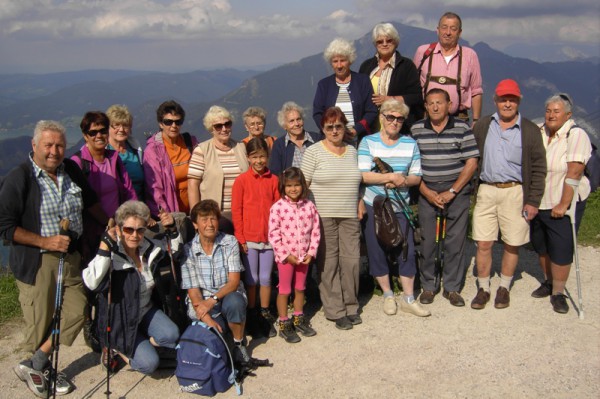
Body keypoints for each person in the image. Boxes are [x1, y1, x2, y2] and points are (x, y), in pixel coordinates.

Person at [0, 120, 107, 397]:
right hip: (39, 261)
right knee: (41, 321)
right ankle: (42, 366)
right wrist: (45, 241)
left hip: (69, 256)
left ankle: (35, 364)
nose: (54, 151)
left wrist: (110, 224)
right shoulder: (20, 178)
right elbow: (5, 226)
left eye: (59, 145)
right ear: (34, 146)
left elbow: (91, 201)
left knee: (77, 310)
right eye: (48, 145)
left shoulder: (70, 169)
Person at [471, 79, 546, 310]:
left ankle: (503, 287)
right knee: (483, 243)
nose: (507, 104)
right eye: (503, 99)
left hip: (515, 191)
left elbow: (538, 167)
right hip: (487, 189)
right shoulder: (483, 126)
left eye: (512, 99)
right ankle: (483, 288)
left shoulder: (530, 130)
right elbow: (472, 159)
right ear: (495, 100)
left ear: (518, 101)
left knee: (512, 243)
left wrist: (533, 200)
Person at [82, 201, 181, 374]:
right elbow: (91, 282)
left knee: (172, 335)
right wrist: (104, 249)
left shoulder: (148, 248)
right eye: (129, 229)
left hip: (145, 310)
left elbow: (174, 251)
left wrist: (172, 228)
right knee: (150, 364)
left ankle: (140, 339)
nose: (135, 235)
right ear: (119, 230)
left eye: (140, 230)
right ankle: (115, 347)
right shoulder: (112, 254)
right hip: (121, 318)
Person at [358, 99, 430, 317]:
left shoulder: (410, 144)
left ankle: (408, 297)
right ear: (381, 117)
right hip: (374, 204)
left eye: (399, 119)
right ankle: (388, 294)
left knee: (405, 248)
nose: (395, 122)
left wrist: (402, 181)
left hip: (400, 205)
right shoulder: (367, 142)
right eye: (390, 117)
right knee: (376, 248)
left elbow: (416, 177)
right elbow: (362, 175)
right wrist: (389, 177)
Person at [411, 89, 479, 307]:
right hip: (427, 191)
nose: (435, 107)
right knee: (428, 241)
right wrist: (428, 193)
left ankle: (452, 287)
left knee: (455, 241)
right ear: (426, 106)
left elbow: (471, 162)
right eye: (430, 103)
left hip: (456, 192)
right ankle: (429, 286)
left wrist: (453, 191)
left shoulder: (462, 128)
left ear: (449, 105)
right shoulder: (416, 130)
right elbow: (411, 166)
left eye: (439, 102)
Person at [301, 107, 363, 330]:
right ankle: (335, 309)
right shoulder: (313, 152)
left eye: (339, 126)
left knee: (352, 261)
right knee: (328, 262)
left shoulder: (353, 150)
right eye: (330, 127)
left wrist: (359, 201)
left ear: (344, 127)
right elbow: (302, 185)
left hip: (349, 214)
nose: (335, 130)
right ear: (323, 129)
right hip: (323, 215)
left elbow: (358, 180)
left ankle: (351, 304)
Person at [530, 93, 592, 313]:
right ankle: (548, 281)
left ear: (568, 114)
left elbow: (574, 172)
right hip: (539, 201)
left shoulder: (576, 135)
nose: (551, 115)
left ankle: (558, 292)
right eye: (548, 110)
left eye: (556, 111)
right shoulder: (538, 131)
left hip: (562, 201)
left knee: (561, 248)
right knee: (542, 245)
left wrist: (564, 204)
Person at [180, 200, 250, 363]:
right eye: (204, 220)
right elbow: (194, 291)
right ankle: (226, 331)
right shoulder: (188, 250)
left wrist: (212, 301)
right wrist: (208, 320)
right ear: (195, 224)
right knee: (215, 342)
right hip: (202, 302)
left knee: (235, 303)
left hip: (226, 294)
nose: (210, 224)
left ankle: (239, 343)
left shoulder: (229, 242)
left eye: (213, 219)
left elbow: (233, 281)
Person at [71, 111, 137, 264]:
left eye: (102, 131)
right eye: (93, 132)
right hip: (91, 234)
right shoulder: (78, 163)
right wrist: (107, 222)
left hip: (118, 229)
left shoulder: (113, 158)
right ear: (85, 135)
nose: (98, 135)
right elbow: (82, 202)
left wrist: (131, 218)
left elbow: (128, 191)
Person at [231, 138, 280, 338]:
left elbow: (278, 210)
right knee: (251, 279)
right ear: (248, 158)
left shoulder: (274, 180)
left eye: (262, 156)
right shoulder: (241, 181)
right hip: (249, 238)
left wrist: (277, 236)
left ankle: (265, 311)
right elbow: (237, 211)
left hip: (269, 239)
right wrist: (241, 237)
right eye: (254, 156)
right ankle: (251, 312)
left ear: (267, 157)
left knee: (266, 278)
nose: (259, 160)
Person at [268, 167, 321, 343]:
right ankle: (284, 322)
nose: (293, 189)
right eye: (289, 185)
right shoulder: (278, 208)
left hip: (304, 257)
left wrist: (311, 252)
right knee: (284, 289)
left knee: (300, 288)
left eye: (297, 185)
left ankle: (298, 318)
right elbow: (273, 234)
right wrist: (285, 255)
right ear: (283, 187)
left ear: (302, 185)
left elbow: (315, 231)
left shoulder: (309, 206)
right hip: (286, 258)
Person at [188, 106, 249, 235]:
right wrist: (196, 217)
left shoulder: (241, 147)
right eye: (218, 126)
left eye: (227, 124)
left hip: (243, 215)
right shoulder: (202, 150)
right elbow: (193, 185)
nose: (224, 129)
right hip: (214, 217)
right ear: (211, 129)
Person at [413, 12, 483, 124]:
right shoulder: (423, 52)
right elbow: (412, 85)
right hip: (426, 119)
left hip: (459, 119)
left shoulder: (470, 55)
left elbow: (476, 91)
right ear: (438, 30)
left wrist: (476, 120)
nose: (448, 33)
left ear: (459, 32)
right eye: (444, 28)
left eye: (453, 29)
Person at [359, 22, 424, 131]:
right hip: (371, 129)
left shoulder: (406, 66)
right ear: (375, 44)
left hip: (399, 128)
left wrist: (389, 99)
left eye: (389, 40)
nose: (384, 44)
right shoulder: (366, 66)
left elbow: (416, 97)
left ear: (396, 42)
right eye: (380, 41)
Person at [313, 38, 378, 144]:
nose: (339, 65)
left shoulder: (363, 81)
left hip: (359, 140)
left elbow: (371, 111)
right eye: (335, 61)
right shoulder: (324, 85)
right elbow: (317, 113)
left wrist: (356, 129)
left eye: (343, 60)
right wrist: (329, 131)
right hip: (330, 141)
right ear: (331, 63)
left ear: (350, 61)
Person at [144, 100, 197, 217]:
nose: (174, 126)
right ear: (160, 124)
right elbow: (155, 188)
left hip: (195, 210)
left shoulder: (190, 143)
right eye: (168, 122)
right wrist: (167, 216)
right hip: (171, 213)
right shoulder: (153, 151)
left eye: (178, 122)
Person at [269, 101, 322, 176]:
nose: (296, 124)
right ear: (284, 126)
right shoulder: (279, 145)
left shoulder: (317, 139)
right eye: (291, 121)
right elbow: (275, 173)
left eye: (298, 119)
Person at [106, 104, 145, 200]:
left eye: (125, 125)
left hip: (140, 206)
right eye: (116, 125)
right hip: (114, 207)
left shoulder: (135, 148)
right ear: (108, 128)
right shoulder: (103, 152)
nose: (121, 129)